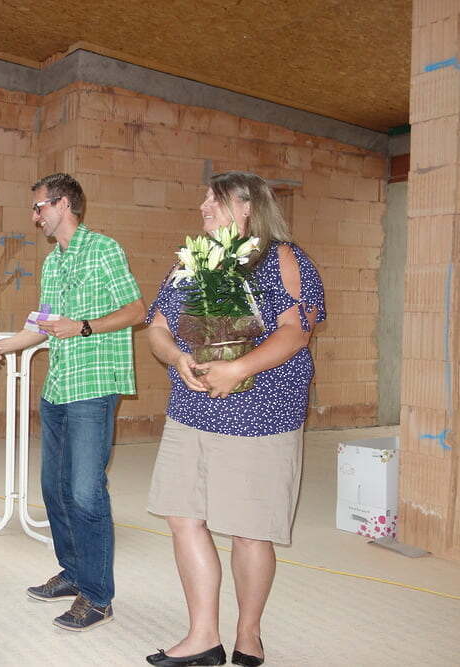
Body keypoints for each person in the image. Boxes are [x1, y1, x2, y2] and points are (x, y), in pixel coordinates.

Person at [143, 171, 326, 667]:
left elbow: (295, 331)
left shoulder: (282, 258)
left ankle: (249, 633)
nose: (204, 205)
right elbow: (157, 327)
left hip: (259, 414)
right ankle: (203, 636)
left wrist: (238, 369)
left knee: (250, 529)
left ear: (247, 207)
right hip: (191, 409)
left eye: (215, 198)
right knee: (183, 516)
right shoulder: (191, 260)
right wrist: (176, 357)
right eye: (204, 197)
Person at [0, 173, 146, 632]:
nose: (34, 216)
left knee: (84, 491)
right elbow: (40, 327)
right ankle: (74, 573)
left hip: (93, 387)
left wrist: (82, 326)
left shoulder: (103, 250)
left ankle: (97, 598)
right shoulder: (52, 263)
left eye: (38, 206)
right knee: (54, 489)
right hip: (58, 387)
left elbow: (137, 311)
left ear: (63, 204)